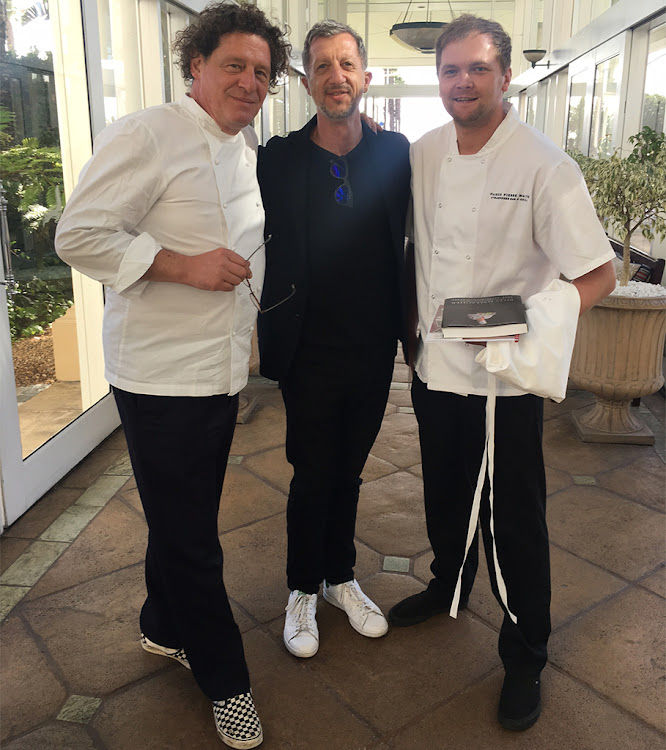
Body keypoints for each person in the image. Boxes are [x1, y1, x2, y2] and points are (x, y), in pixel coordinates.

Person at [54, 4, 290, 747]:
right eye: (235, 66)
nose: (250, 83)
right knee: (192, 538)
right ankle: (226, 680)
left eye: (262, 72)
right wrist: (178, 265)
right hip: (158, 377)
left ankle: (163, 625)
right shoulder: (148, 134)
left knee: (182, 517)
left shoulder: (241, 146)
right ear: (196, 64)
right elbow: (79, 233)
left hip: (217, 372)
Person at [388, 14, 616, 732]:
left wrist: (529, 324)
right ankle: (446, 582)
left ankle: (525, 652)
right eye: (451, 70)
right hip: (434, 367)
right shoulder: (423, 153)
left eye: (477, 69)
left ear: (505, 75)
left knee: (512, 519)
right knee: (444, 491)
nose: (463, 82)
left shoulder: (545, 164)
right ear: (439, 79)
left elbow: (598, 274)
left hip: (504, 379)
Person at [256, 21, 411, 658]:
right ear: (306, 80)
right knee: (312, 469)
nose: (335, 76)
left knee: (349, 469)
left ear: (365, 78)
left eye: (346, 64)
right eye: (322, 65)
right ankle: (301, 588)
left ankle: (340, 576)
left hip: (373, 346)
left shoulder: (396, 151)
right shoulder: (280, 156)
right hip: (308, 347)